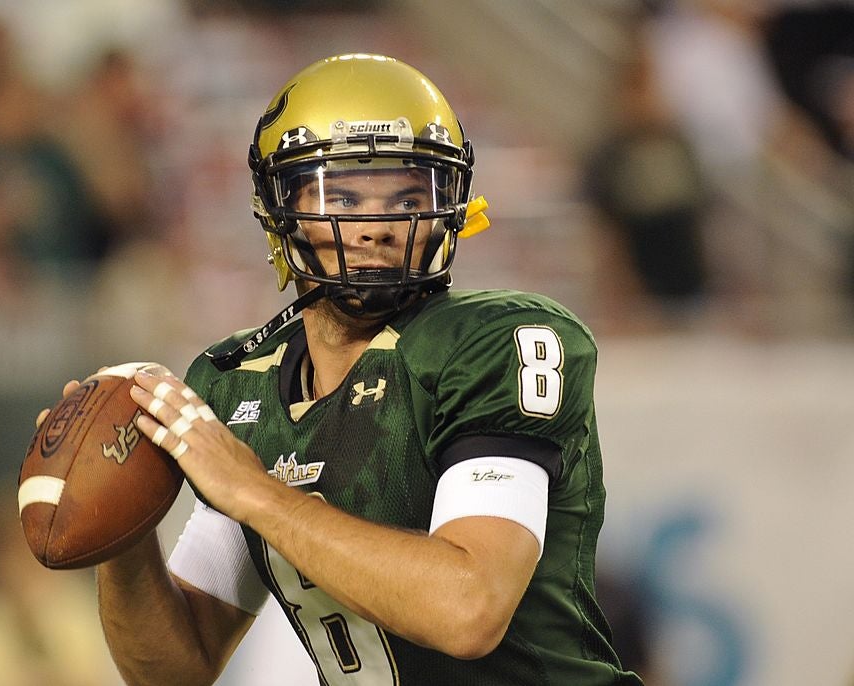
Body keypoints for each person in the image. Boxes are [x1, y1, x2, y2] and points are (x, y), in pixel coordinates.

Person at [40, 54, 642, 685]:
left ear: (451, 206)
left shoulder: (496, 343)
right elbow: (174, 669)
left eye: (408, 195)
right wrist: (123, 520)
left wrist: (257, 492)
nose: (375, 226)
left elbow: (469, 609)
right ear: (280, 210)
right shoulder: (237, 380)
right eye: (342, 196)